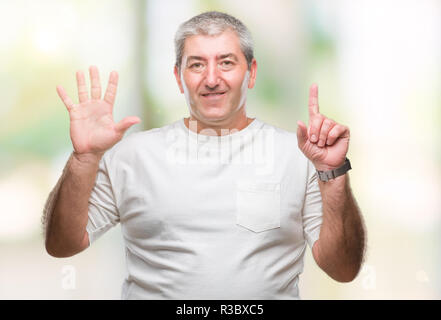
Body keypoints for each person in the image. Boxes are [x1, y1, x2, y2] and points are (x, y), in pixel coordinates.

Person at [43, 11, 366, 299]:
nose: (212, 79)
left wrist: (332, 172)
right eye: (197, 65)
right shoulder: (131, 155)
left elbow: (343, 269)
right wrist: (83, 158)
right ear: (178, 77)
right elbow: (62, 245)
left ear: (251, 73)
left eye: (226, 62)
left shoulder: (298, 156)